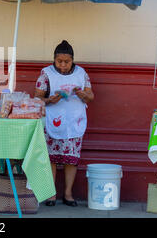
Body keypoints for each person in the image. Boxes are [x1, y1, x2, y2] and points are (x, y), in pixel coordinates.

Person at [35, 40, 94, 207]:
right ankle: (51, 193)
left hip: (74, 120)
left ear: (72, 60)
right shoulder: (46, 74)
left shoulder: (81, 73)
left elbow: (91, 97)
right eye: (59, 61)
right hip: (53, 121)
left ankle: (68, 194)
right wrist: (48, 100)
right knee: (51, 159)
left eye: (67, 62)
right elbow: (37, 97)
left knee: (71, 159)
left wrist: (81, 93)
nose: (63, 65)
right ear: (54, 60)